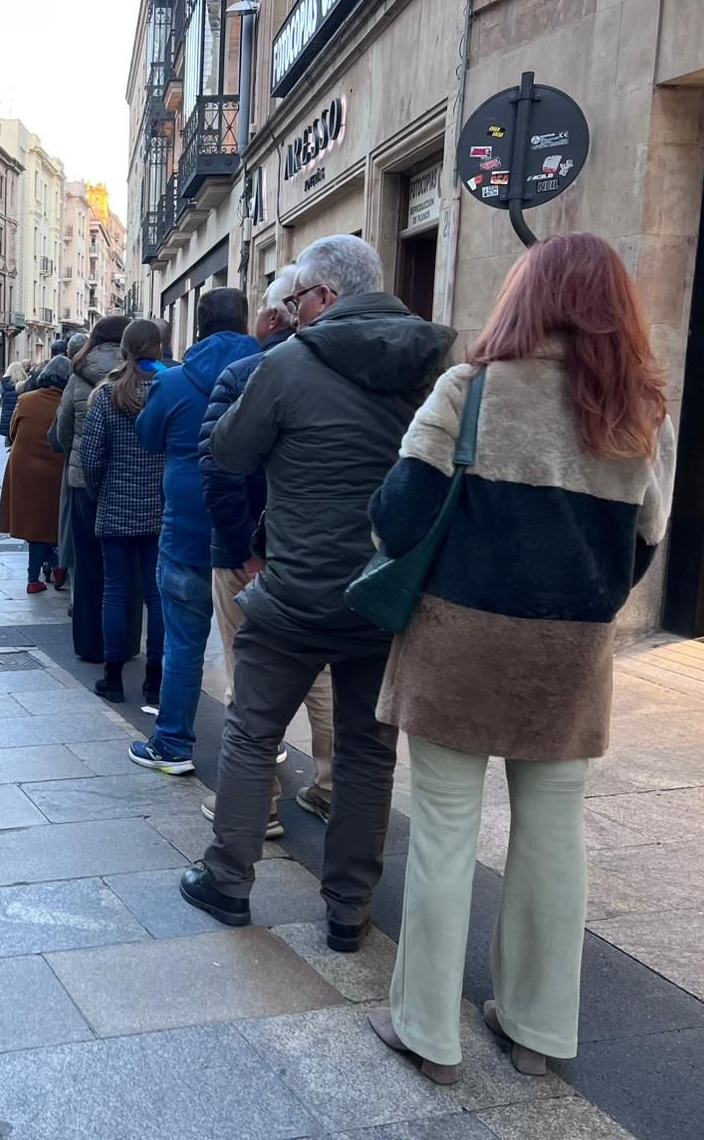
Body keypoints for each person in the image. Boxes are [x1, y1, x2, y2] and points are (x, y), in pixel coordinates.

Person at [367, 234, 676, 1083]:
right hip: (568, 657)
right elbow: (645, 545)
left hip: (456, 648)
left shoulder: (468, 390)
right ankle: (537, 1030)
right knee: (553, 838)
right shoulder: (641, 413)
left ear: (525, 298)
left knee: (442, 833)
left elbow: (396, 520)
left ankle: (427, 1033)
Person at [181, 233, 455, 954]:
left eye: (299, 297)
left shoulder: (288, 363)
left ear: (326, 297)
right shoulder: (434, 365)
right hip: (382, 596)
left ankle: (228, 879)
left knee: (252, 731)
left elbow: (229, 450)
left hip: (294, 592)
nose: (293, 310)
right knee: (368, 753)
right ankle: (348, 908)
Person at [197, 267, 338, 831]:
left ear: (282, 312)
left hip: (251, 554)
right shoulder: (354, 375)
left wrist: (242, 551)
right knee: (322, 677)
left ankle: (259, 806)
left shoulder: (247, 373)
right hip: (322, 558)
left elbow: (219, 468)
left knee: (248, 673)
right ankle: (332, 788)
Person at [129, 288, 262, 776]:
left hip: (186, 526)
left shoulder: (175, 380)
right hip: (252, 534)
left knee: (183, 642)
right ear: (246, 321)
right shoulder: (272, 371)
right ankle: (259, 747)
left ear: (198, 326)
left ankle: (173, 743)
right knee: (252, 649)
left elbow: (148, 437)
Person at [78, 319, 167, 704]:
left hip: (115, 506)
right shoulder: (168, 390)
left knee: (114, 591)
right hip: (159, 509)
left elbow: (90, 457)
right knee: (156, 594)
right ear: (158, 348)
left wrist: (100, 492)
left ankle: (112, 678)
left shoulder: (107, 395)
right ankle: (155, 679)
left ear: (124, 350)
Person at [54, 316, 130, 662]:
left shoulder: (77, 375)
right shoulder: (138, 374)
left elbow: (62, 431)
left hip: (83, 483)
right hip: (127, 485)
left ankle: (89, 643)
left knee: (86, 565)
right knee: (126, 567)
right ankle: (124, 643)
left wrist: (76, 456)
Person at [0, 355, 67, 591]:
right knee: (55, 520)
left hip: (25, 468)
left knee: (34, 523)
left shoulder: (26, 399)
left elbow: (13, 430)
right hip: (58, 466)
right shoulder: (67, 401)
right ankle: (57, 563)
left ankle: (33, 579)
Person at [0, 360, 27, 445]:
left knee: (10, 444)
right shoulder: (24, 386)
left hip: (7, 418)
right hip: (19, 418)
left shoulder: (4, 384)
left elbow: (2, 395)